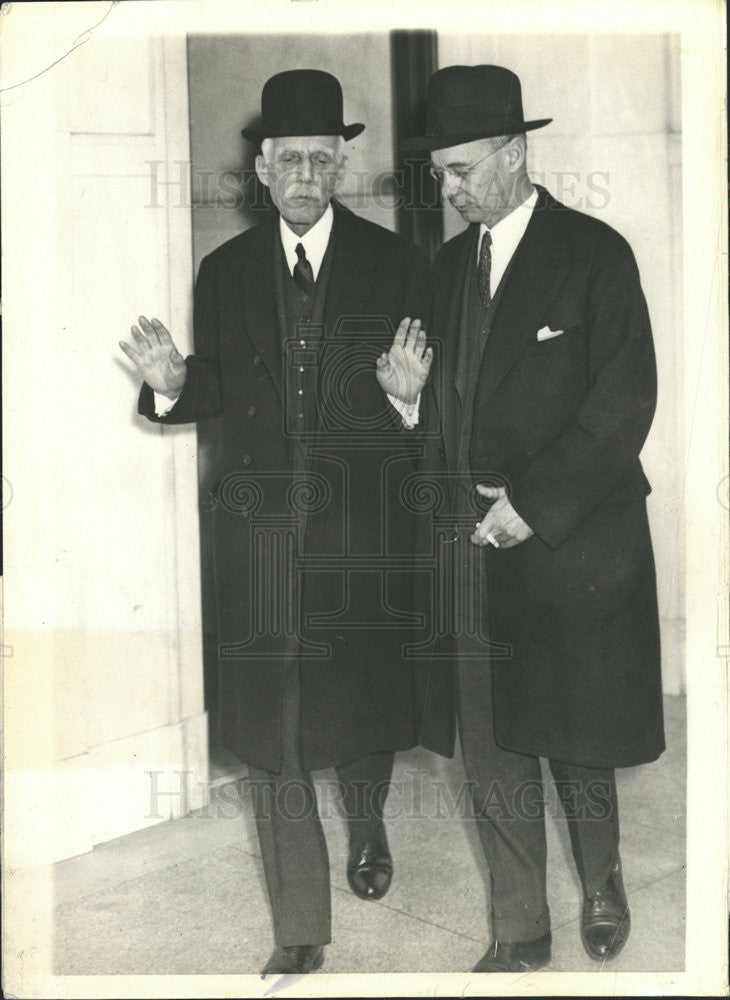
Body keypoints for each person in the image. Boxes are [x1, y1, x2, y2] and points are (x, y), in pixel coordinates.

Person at [119, 69, 432, 975]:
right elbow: (220, 388)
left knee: (361, 712)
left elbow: (426, 400)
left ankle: (368, 822)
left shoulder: (396, 263)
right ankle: (300, 926)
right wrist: (174, 383)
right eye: (288, 157)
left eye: (321, 158)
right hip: (259, 540)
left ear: (341, 165)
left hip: (360, 532)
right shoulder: (223, 273)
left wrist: (408, 407)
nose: (303, 172)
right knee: (275, 731)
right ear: (261, 168)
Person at [396, 64, 665, 972]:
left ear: (516, 154)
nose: (451, 188)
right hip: (471, 546)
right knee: (492, 747)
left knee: (573, 736)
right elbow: (449, 407)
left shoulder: (595, 253)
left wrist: (532, 507)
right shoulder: (444, 266)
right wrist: (408, 406)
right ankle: (518, 927)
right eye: (441, 173)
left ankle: (601, 883)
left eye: (464, 169)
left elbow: (624, 403)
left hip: (569, 539)